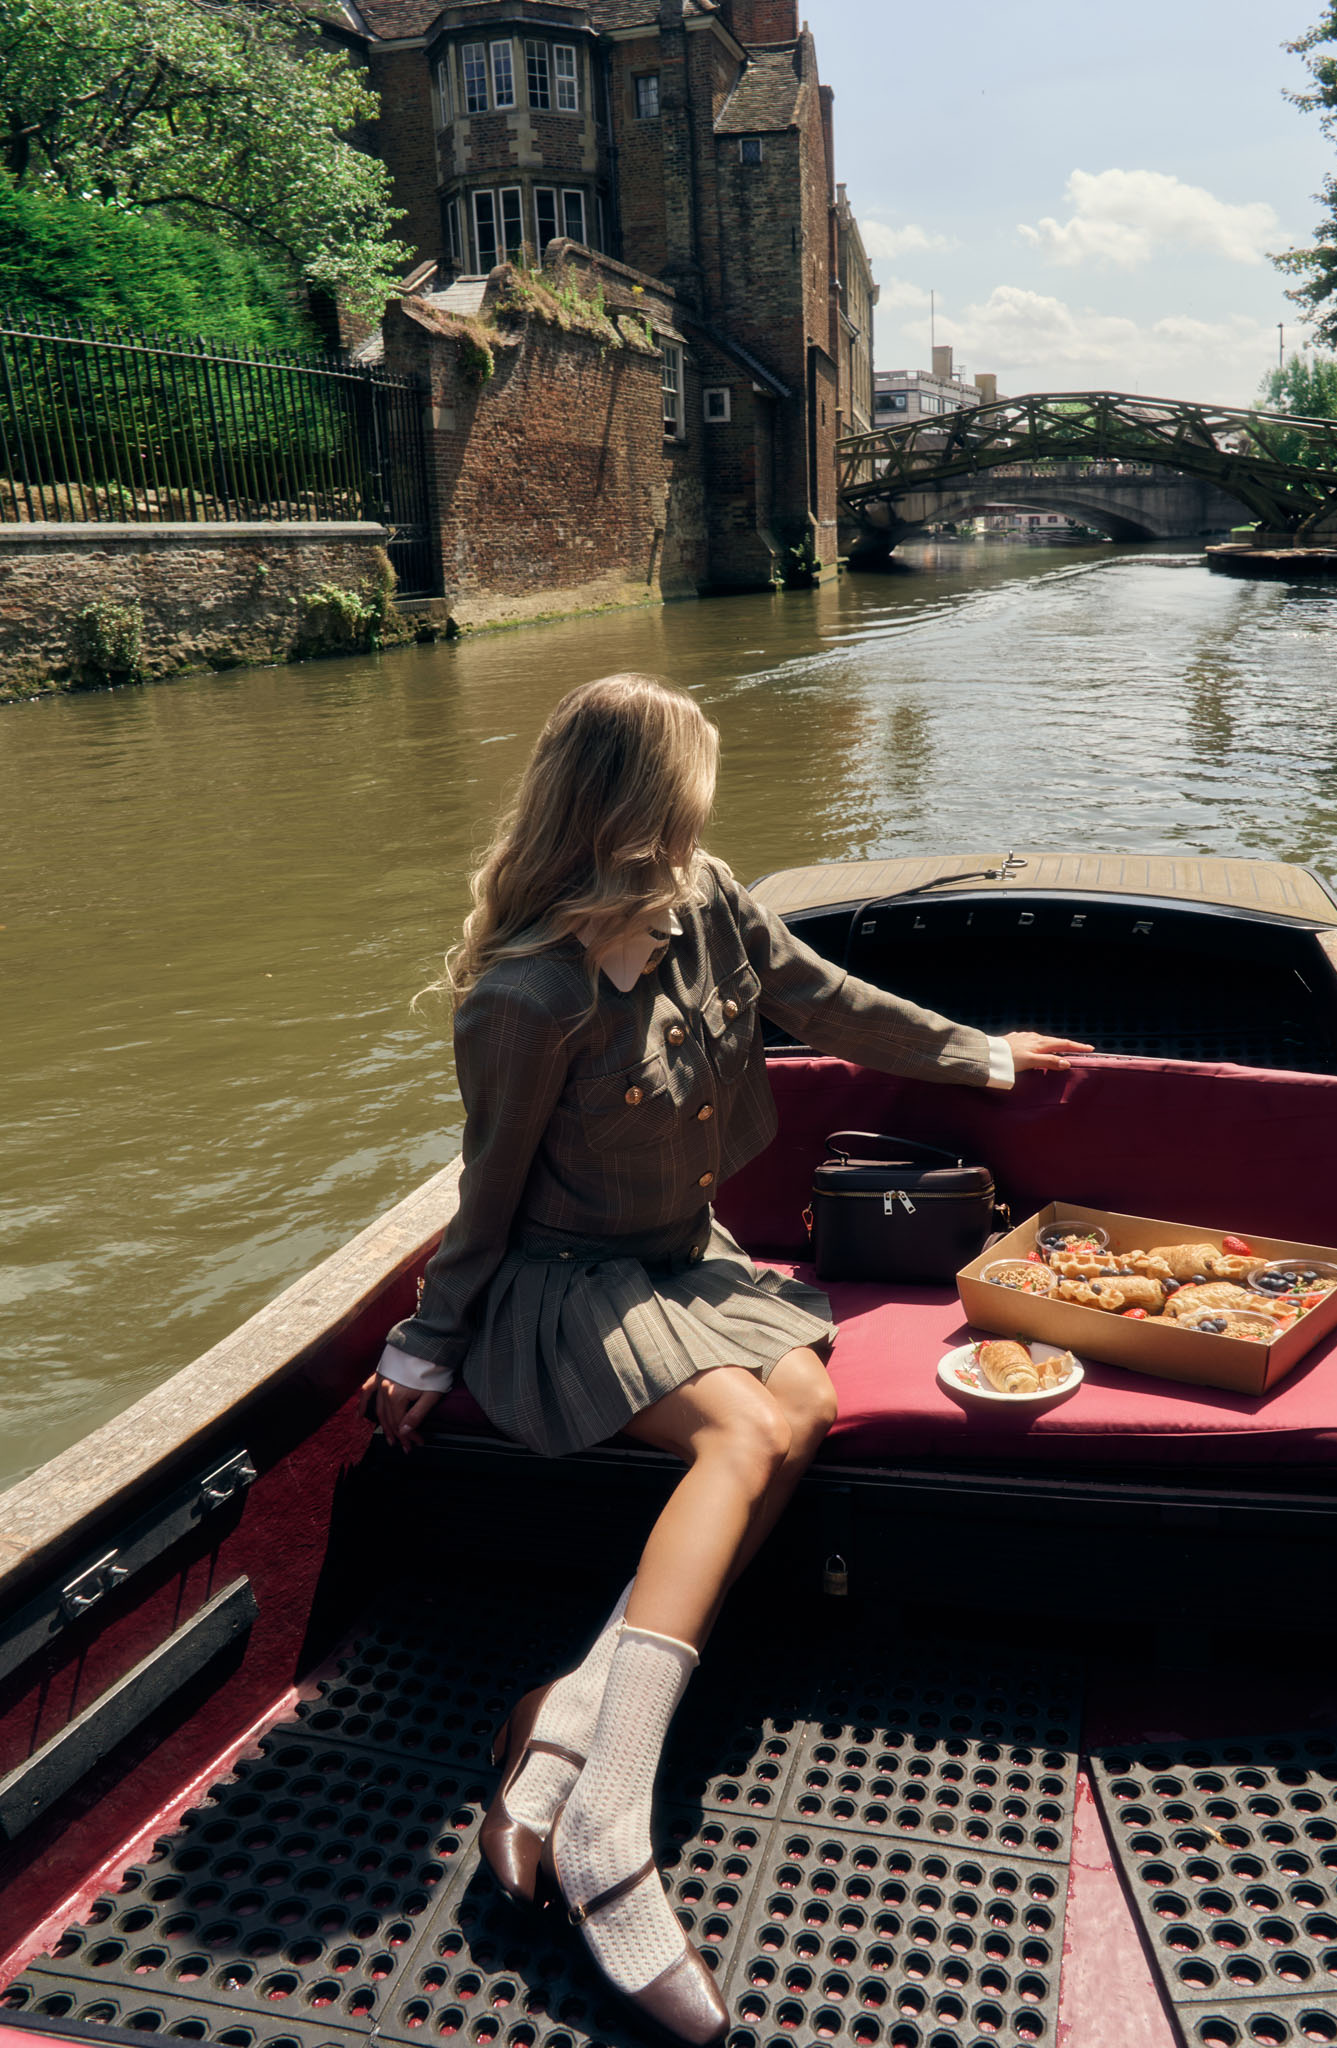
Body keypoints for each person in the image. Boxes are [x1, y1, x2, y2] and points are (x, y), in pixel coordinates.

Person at [363, 674, 1089, 2044]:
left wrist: (983, 1055)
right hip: (562, 1280)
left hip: (684, 1253)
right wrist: (422, 1342)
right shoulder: (530, 995)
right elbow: (485, 1189)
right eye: (689, 792)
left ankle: (563, 1718)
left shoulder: (707, 900)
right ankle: (610, 1829)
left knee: (808, 1390)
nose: (705, 816)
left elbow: (825, 998)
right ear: (633, 807)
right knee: (742, 1436)